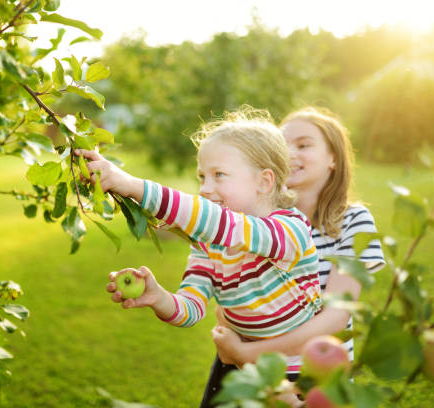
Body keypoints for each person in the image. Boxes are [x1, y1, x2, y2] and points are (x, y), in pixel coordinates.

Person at [77, 107, 324, 400]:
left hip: (295, 375)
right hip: (240, 368)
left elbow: (224, 225)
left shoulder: (289, 231)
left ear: (264, 181)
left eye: (219, 175)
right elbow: (191, 309)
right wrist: (159, 298)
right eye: (202, 176)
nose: (205, 189)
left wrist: (132, 186)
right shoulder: (210, 244)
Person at [209, 106, 385, 404]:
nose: (290, 153)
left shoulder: (353, 221)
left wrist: (248, 352)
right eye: (282, 144)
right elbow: (229, 306)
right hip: (249, 374)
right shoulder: (252, 221)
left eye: (303, 144)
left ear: (334, 158)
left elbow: (336, 317)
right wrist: (245, 361)